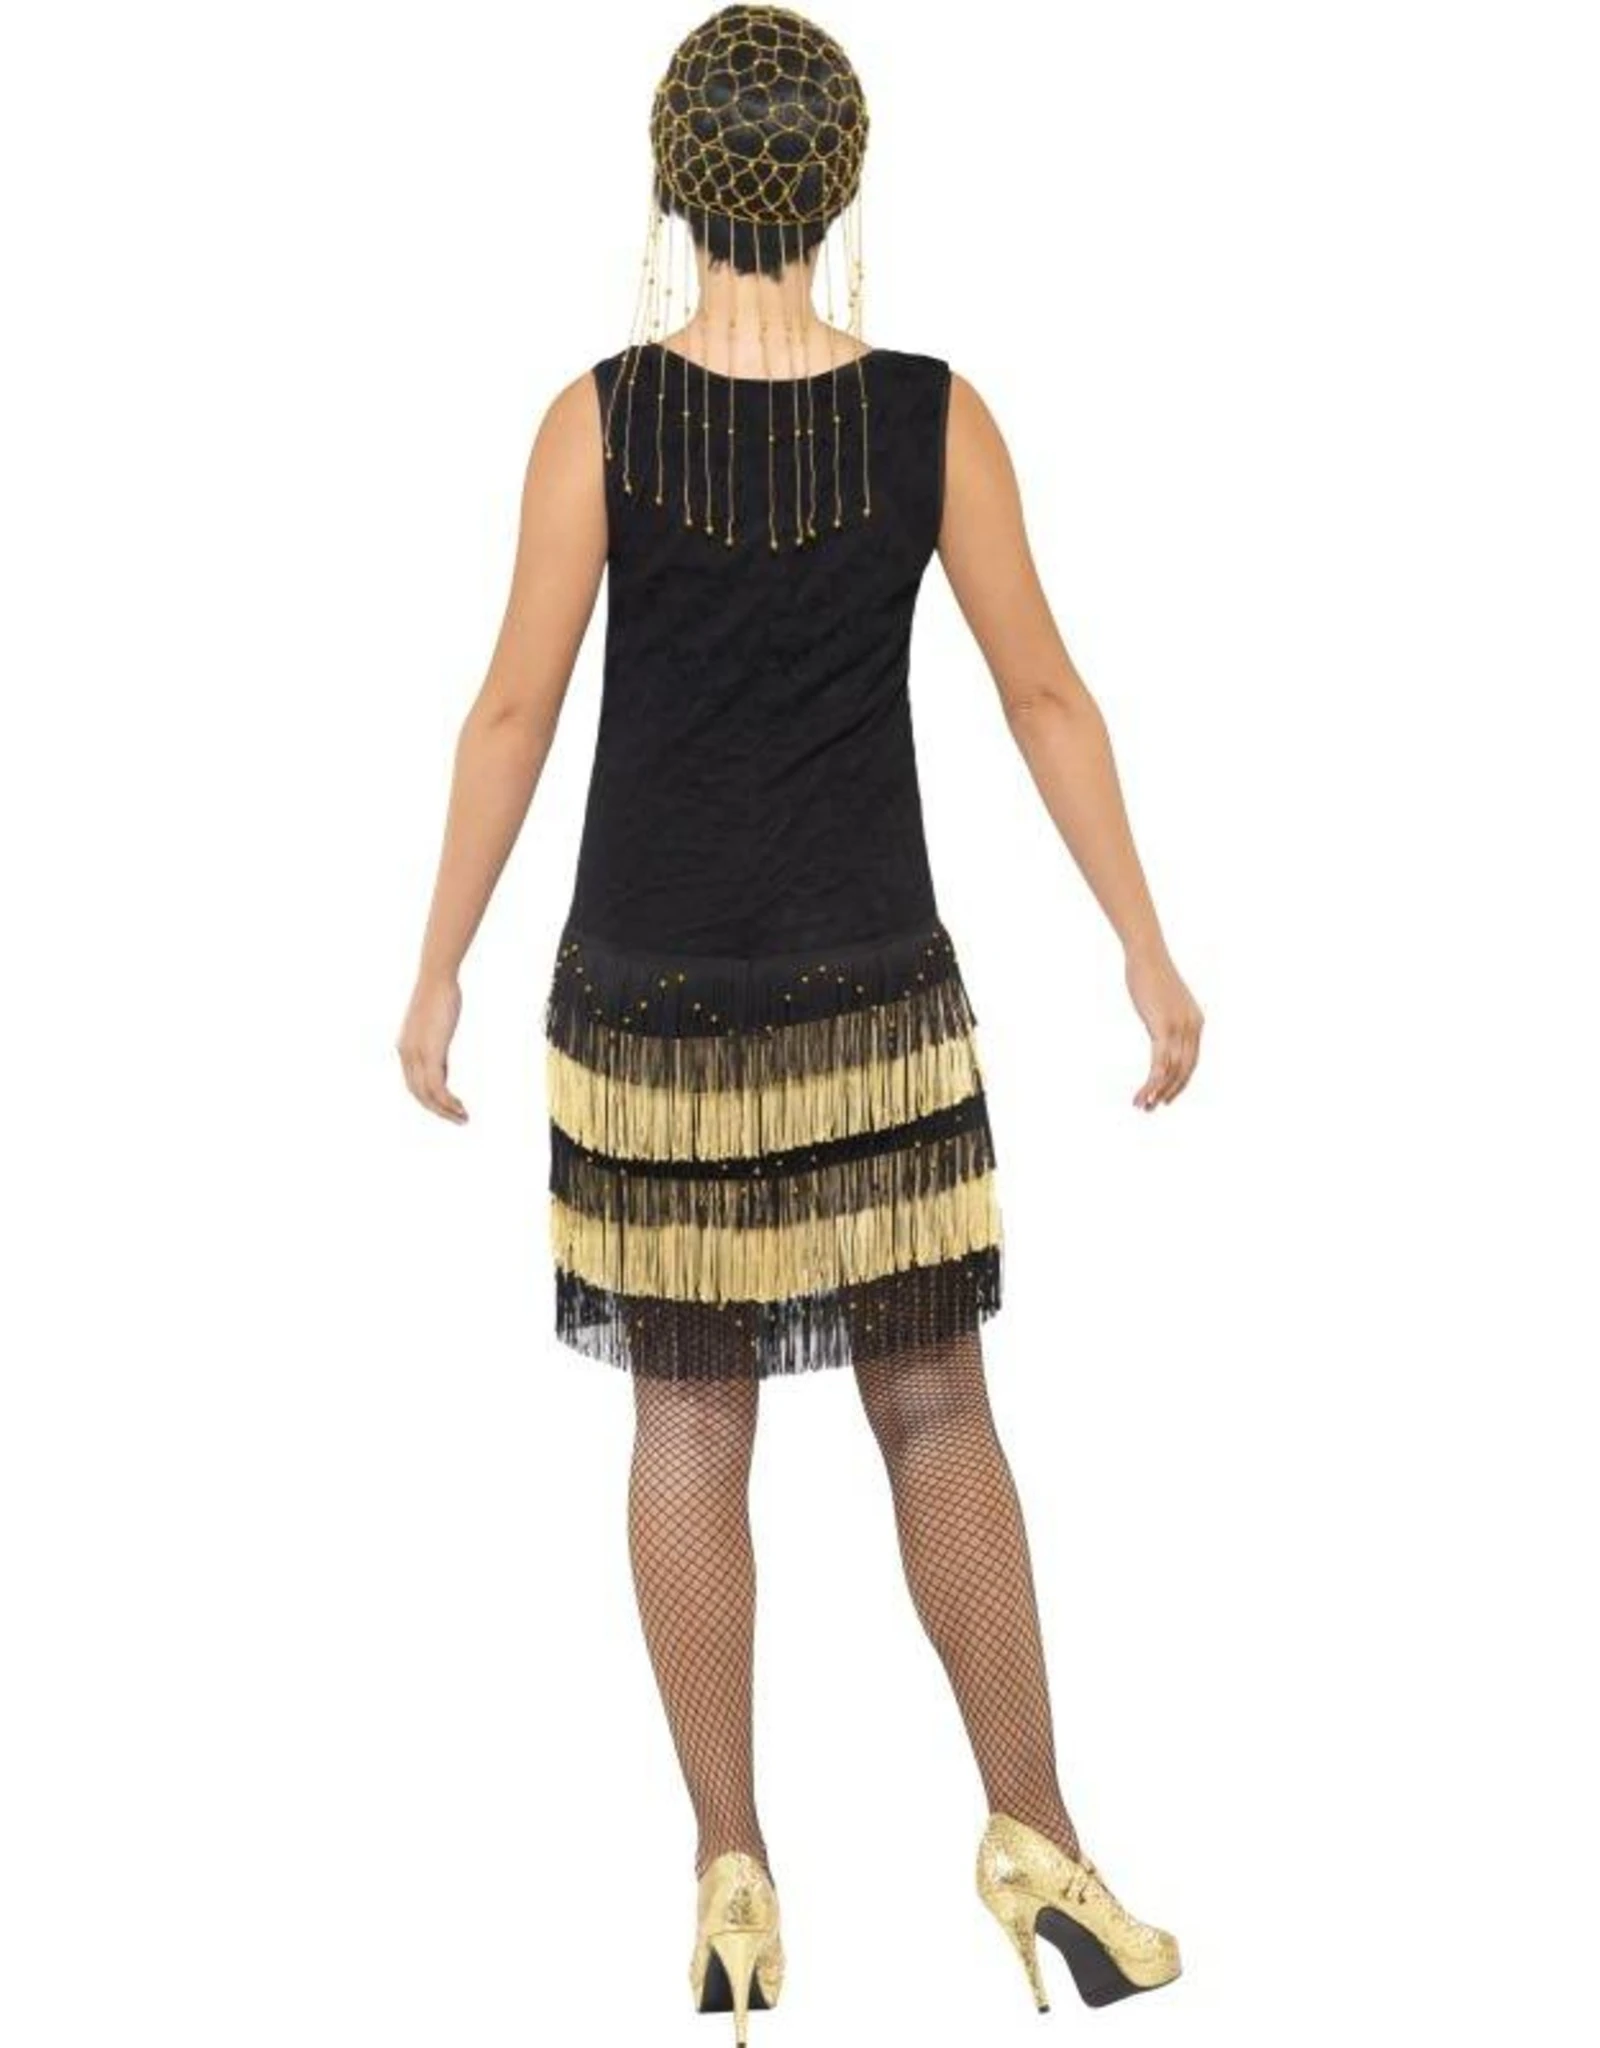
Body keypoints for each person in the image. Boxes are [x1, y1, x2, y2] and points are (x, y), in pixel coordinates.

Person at [397, 6, 1201, 2038]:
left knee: (688, 1420)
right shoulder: (932, 416)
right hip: (871, 1007)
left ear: (672, 182)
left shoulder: (596, 422)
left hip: (646, 1012)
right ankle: (1036, 1840)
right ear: (840, 187)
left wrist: (438, 963)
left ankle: (729, 1874)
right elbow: (1044, 694)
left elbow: (511, 708)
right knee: (935, 1412)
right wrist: (1141, 942)